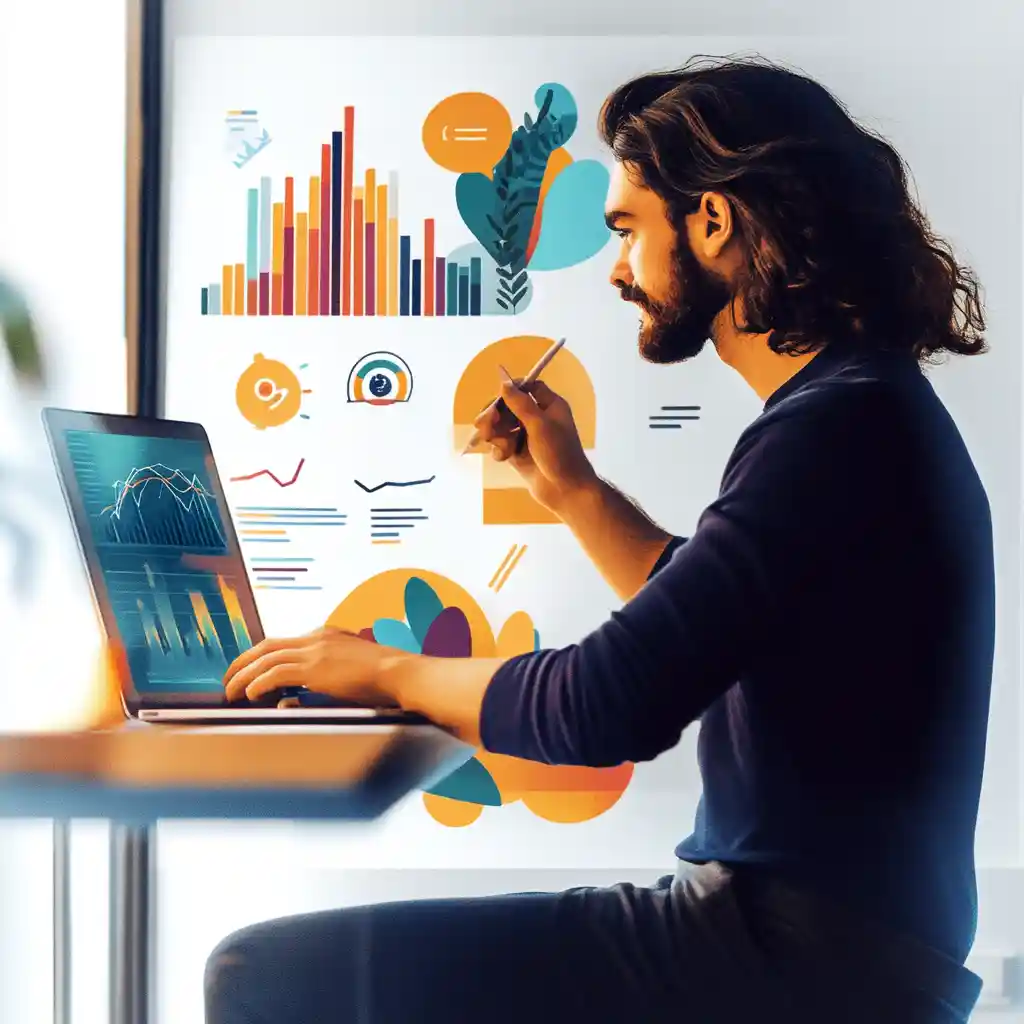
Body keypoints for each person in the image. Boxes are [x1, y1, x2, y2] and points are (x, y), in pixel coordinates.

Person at [207, 54, 994, 1024]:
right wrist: (571, 490)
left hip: (792, 960)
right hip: (837, 953)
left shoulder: (833, 427)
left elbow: (604, 704)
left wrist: (377, 669)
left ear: (712, 222)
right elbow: (712, 618)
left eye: (626, 229)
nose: (616, 268)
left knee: (260, 977)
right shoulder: (860, 410)